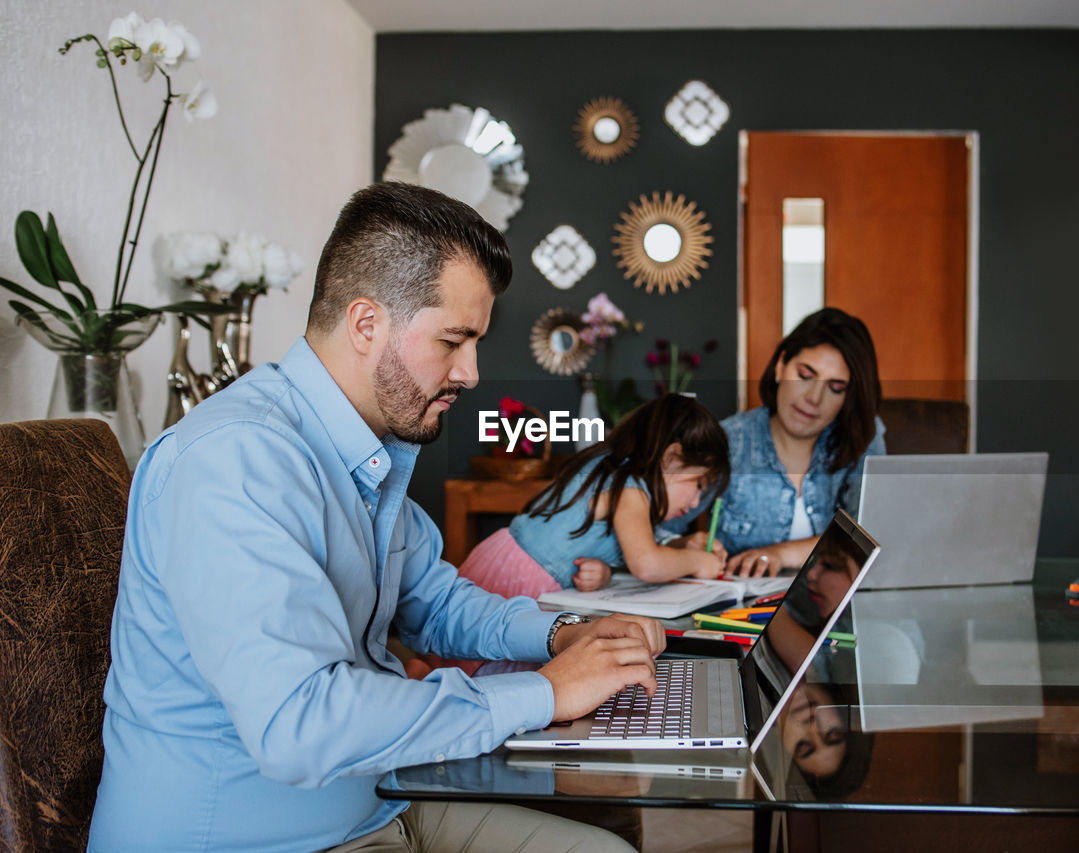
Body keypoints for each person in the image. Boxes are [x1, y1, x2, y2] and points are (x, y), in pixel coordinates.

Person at [87, 182, 664, 853]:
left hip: (370, 805)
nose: (471, 372)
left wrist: (567, 633)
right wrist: (543, 694)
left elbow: (437, 601)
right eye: (454, 340)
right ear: (367, 324)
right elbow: (299, 725)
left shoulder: (365, 447)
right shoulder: (236, 461)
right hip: (253, 838)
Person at [661, 307, 886, 577]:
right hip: (737, 611)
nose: (814, 398)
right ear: (781, 366)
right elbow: (655, 530)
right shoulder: (728, 440)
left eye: (835, 388)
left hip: (828, 610)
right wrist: (683, 546)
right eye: (805, 375)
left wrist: (780, 554)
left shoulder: (862, 437)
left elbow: (869, 536)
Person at [456, 393, 731, 601]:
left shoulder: (614, 469)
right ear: (670, 458)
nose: (696, 502)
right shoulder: (630, 489)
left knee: (452, 659)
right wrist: (698, 562)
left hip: (504, 563)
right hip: (517, 583)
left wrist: (683, 544)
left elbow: (632, 544)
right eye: (698, 485)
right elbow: (646, 564)